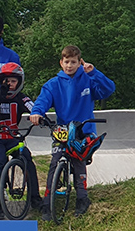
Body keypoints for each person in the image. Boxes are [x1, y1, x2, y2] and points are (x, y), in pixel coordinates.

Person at [29, 45, 116, 219]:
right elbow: (42, 100)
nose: (69, 65)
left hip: (84, 131)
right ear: (61, 63)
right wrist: (36, 113)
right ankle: (48, 202)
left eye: (73, 62)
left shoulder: (88, 80)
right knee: (54, 163)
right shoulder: (53, 84)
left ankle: (82, 199)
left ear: (79, 63)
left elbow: (108, 89)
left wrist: (94, 73)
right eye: (66, 62)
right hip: (62, 131)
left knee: (78, 162)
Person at [0, 62, 40, 219]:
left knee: (27, 158)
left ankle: (35, 198)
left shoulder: (21, 97)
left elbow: (33, 108)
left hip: (12, 137)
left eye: (13, 81)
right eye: (6, 81)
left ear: (19, 82)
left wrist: (42, 117)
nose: (10, 84)